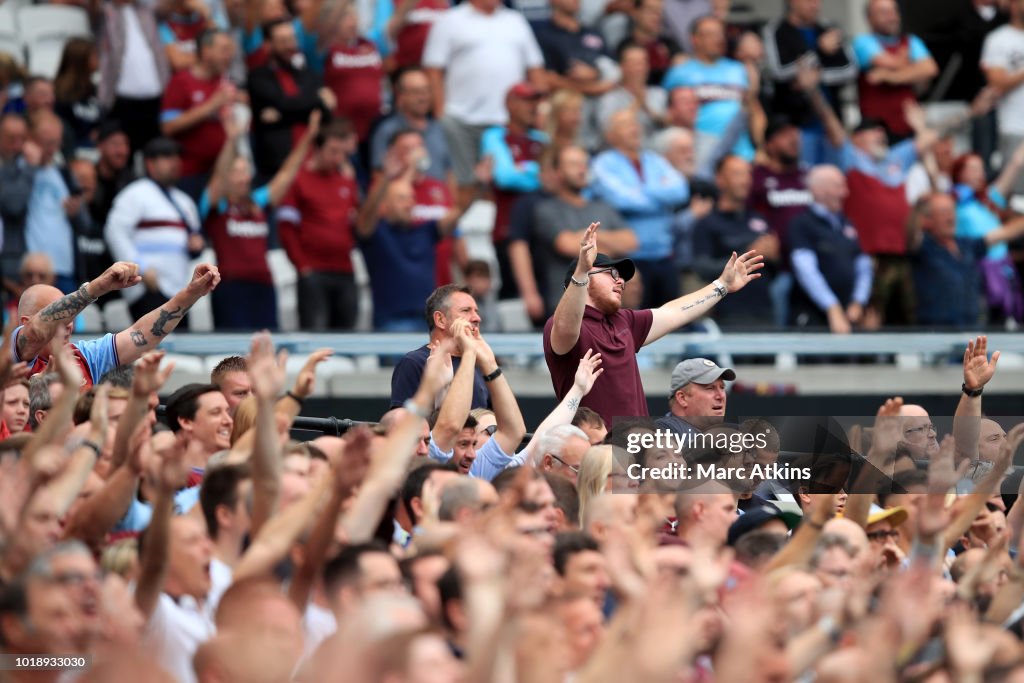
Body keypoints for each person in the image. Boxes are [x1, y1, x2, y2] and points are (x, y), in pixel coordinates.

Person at [543, 222, 761, 426]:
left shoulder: (623, 321)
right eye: (611, 273)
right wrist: (581, 270)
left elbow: (673, 313)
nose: (621, 281)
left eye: (621, 277)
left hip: (636, 454)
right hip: (593, 457)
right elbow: (565, 326)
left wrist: (722, 285)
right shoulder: (562, 325)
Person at [200, 109, 320, 329]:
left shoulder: (256, 202)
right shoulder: (217, 204)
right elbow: (219, 177)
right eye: (237, 171)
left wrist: (309, 136)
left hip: (264, 287)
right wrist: (232, 140)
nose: (244, 176)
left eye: (246, 171)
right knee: (233, 357)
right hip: (231, 289)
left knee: (265, 350)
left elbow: (286, 174)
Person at [11, 259, 219, 385]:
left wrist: (191, 293)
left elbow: (143, 334)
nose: (69, 324)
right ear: (25, 323)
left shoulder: (85, 357)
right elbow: (36, 333)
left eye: (72, 318)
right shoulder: (13, 358)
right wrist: (97, 288)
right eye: (62, 317)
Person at [421, 0, 545, 207]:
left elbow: (535, 67)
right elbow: (433, 69)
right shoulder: (450, 20)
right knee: (465, 183)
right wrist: (440, 112)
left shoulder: (515, 20)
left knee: (505, 184)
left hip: (507, 122)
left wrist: (541, 109)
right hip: (461, 119)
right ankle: (460, 233)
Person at [355, 150, 487, 331]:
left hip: (429, 320)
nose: (410, 203)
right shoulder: (376, 233)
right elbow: (366, 216)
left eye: (411, 198)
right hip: (392, 321)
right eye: (402, 199)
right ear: (385, 205)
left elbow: (459, 210)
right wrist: (385, 177)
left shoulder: (425, 230)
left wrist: (478, 183)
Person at [590, 109, 688, 309]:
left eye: (635, 123)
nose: (634, 129)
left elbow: (681, 190)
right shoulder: (603, 163)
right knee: (634, 324)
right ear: (610, 135)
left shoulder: (655, 160)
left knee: (670, 320)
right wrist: (660, 195)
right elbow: (622, 200)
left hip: (665, 254)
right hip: (629, 259)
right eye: (626, 125)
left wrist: (641, 190)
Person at [528, 145, 637, 318]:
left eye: (584, 163)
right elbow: (567, 245)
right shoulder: (546, 209)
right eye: (573, 164)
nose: (582, 169)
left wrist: (585, 238)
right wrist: (610, 246)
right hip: (566, 306)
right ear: (557, 172)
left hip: (608, 305)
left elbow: (631, 241)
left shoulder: (604, 207)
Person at [104, 137, 206, 321]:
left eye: (176, 157)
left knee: (180, 347)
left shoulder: (185, 201)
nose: (175, 162)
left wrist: (197, 246)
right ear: (150, 164)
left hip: (180, 291)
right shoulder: (135, 193)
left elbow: (194, 242)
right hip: (148, 288)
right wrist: (139, 267)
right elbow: (114, 231)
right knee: (149, 347)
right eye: (167, 157)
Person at [276, 120, 361, 331]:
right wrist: (302, 266)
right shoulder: (299, 180)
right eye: (333, 151)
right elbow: (286, 228)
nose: (338, 158)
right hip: (313, 270)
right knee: (316, 335)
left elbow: (354, 221)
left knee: (348, 335)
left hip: (345, 270)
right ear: (317, 148)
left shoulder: (347, 181)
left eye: (342, 153)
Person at [908, 192, 1024, 327]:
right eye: (944, 212)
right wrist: (918, 208)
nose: (951, 217)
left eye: (952, 211)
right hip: (936, 332)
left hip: (971, 329)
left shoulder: (967, 245)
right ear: (927, 220)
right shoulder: (924, 248)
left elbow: (1004, 233)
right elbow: (911, 230)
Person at [762, 0, 856, 165]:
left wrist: (817, 77)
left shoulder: (829, 28)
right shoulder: (776, 30)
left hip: (832, 123)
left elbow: (849, 69)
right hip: (796, 125)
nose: (815, 5)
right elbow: (778, 71)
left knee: (835, 179)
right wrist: (818, 50)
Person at [480, 83, 548, 300]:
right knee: (514, 300)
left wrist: (524, 169)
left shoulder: (542, 139)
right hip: (507, 231)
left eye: (535, 101)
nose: (533, 106)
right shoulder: (494, 135)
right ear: (510, 104)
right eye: (527, 101)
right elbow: (505, 177)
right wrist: (538, 173)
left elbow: (555, 178)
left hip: (542, 232)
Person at [692, 154, 777, 327]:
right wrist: (748, 256)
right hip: (728, 315)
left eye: (747, 174)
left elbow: (775, 269)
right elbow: (701, 268)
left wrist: (775, 255)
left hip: (765, 313)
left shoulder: (759, 219)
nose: (745, 180)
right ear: (720, 180)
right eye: (737, 174)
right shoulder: (707, 223)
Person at [788, 165, 873, 333]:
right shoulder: (802, 224)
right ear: (818, 190)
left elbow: (863, 265)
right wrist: (831, 307)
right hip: (814, 317)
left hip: (851, 315)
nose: (845, 192)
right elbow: (806, 271)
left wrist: (858, 301)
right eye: (838, 186)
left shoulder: (846, 224)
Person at [247, 19, 333, 180]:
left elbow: (326, 114)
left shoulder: (309, 75)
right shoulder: (258, 77)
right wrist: (313, 103)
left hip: (315, 161)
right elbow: (284, 103)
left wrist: (282, 115)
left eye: (292, 39)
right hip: (279, 165)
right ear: (268, 44)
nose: (290, 46)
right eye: (283, 41)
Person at [662, 15, 754, 163]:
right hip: (702, 153)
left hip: (741, 153)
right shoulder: (679, 72)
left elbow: (753, 109)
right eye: (711, 34)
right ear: (694, 39)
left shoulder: (738, 69)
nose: (718, 39)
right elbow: (670, 114)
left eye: (720, 34)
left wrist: (760, 147)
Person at [160, 28, 238, 199]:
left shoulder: (225, 82)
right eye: (223, 50)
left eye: (230, 51)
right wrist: (211, 105)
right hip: (190, 175)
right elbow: (168, 126)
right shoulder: (181, 81)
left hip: (222, 173)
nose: (229, 56)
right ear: (206, 51)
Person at [949, 147, 1024, 323]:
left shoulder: (986, 200)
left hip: (1002, 271)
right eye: (973, 169)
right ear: (958, 173)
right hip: (977, 273)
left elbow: (1016, 163)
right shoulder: (952, 203)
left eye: (981, 169)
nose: (979, 174)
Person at [852, 0, 938, 141]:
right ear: (869, 18)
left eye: (894, 11)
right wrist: (911, 67)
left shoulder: (911, 40)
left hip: (909, 125)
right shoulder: (863, 42)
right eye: (884, 12)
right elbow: (891, 62)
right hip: (876, 132)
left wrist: (889, 77)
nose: (891, 17)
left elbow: (930, 69)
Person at [390, 284, 486, 410]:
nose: (477, 318)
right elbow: (403, 426)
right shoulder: (414, 363)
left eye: (476, 311)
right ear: (440, 319)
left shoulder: (479, 363)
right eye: (466, 310)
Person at [99, 0, 170, 154]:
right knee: (124, 151)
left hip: (156, 96)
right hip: (120, 98)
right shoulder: (105, 11)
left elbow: (170, 6)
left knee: (154, 151)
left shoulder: (146, 10)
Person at [23, 113, 78, 294]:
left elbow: (82, 218)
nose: (52, 149)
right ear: (30, 139)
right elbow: (13, 206)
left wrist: (75, 209)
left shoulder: (62, 171)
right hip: (34, 271)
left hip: (64, 266)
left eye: (56, 143)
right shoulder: (16, 169)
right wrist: (31, 166)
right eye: (47, 142)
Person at [370, 68, 452, 184]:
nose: (423, 97)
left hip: (437, 198)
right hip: (403, 199)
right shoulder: (386, 130)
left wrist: (452, 201)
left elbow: (448, 171)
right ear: (401, 95)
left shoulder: (438, 128)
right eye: (416, 92)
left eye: (426, 91)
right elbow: (378, 177)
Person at [321, 5, 384, 143]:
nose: (352, 21)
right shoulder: (325, 50)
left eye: (354, 16)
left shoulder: (370, 44)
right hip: (342, 128)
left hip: (375, 125)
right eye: (345, 17)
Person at [982, 0, 1024, 197]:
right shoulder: (998, 39)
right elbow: (997, 84)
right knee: (1018, 195)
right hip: (1015, 127)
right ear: (1013, 5)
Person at [657, 357, 734, 437]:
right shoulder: (663, 437)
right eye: (710, 388)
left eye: (722, 387)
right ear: (682, 398)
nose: (721, 396)